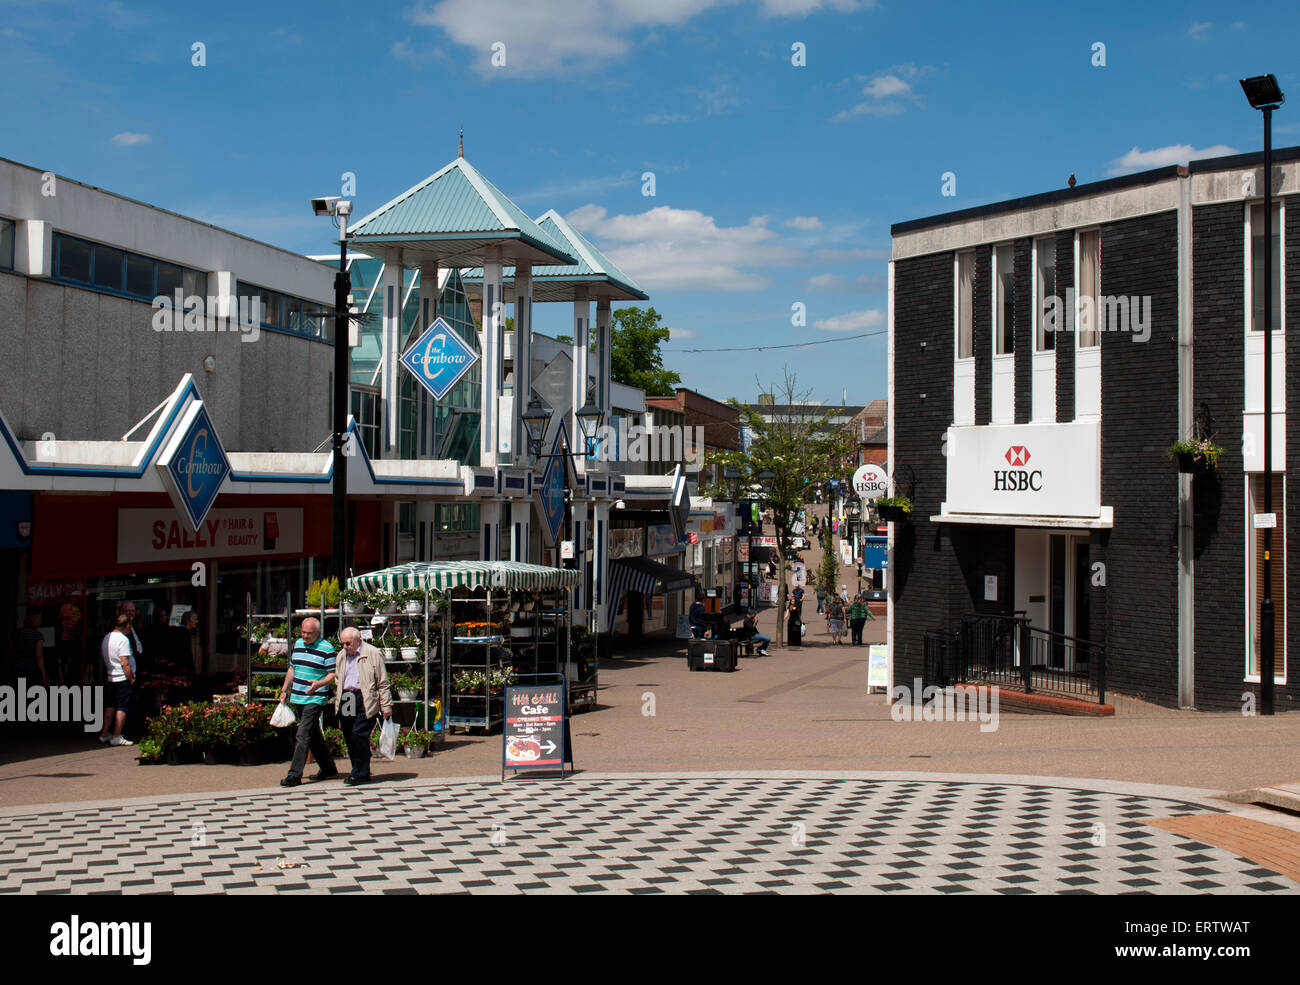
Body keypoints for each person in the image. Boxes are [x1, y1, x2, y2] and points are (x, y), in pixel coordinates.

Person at [278, 617, 339, 787]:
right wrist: (284, 690)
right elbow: (292, 668)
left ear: (318, 633)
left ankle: (294, 775)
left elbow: (332, 674)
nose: (305, 636)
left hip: (315, 697)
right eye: (303, 632)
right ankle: (328, 768)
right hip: (298, 696)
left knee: (302, 734)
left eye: (309, 634)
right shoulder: (297, 644)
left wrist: (318, 684)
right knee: (313, 735)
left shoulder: (326, 648)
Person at [334, 627, 393, 785]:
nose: (345, 647)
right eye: (343, 644)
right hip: (347, 697)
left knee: (359, 733)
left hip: (365, 697)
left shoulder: (373, 653)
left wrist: (386, 705)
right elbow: (338, 677)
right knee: (348, 734)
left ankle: (361, 772)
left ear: (358, 640)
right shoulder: (341, 655)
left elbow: (383, 682)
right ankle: (358, 770)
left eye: (348, 643)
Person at [98, 613, 136, 746]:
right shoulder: (123, 640)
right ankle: (116, 735)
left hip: (111, 676)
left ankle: (104, 734)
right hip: (122, 677)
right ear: (127, 626)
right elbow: (124, 662)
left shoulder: (107, 637)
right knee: (122, 706)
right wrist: (131, 678)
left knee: (110, 705)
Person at [14, 611, 48, 687]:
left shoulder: (17, 632)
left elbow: (12, 650)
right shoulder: (38, 636)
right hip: (30, 669)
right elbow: (39, 656)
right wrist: (43, 674)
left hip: (16, 667)